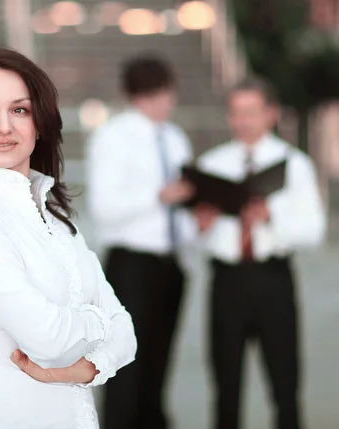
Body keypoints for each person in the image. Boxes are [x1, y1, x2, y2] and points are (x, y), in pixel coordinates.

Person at [0, 48, 137, 429]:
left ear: (40, 122)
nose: (4, 126)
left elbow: (129, 336)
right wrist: (101, 324)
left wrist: (88, 368)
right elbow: (50, 343)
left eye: (19, 109)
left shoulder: (55, 215)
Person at [193, 78, 327, 429]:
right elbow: (198, 237)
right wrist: (201, 226)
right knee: (225, 385)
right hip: (226, 280)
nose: (243, 121)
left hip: (273, 280)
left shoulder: (294, 164)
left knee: (284, 383)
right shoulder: (211, 163)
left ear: (271, 114)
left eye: (251, 112)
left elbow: (313, 231)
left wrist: (271, 217)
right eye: (236, 113)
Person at [86, 54, 196, 429]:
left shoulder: (175, 137)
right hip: (130, 266)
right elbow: (105, 207)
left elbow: (183, 202)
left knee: (159, 362)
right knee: (124, 368)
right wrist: (158, 195)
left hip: (171, 264)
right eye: (160, 93)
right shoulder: (114, 137)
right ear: (141, 95)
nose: (167, 101)